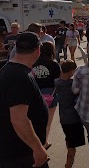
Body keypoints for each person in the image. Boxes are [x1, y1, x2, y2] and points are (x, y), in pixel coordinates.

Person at [0, 32, 49, 168]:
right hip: (21, 155)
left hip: (18, 151)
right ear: (38, 50)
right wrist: (38, 149)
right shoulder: (19, 76)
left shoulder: (10, 69)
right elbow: (19, 119)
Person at [55, 60, 86, 168]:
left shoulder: (57, 82)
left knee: (69, 141)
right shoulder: (71, 84)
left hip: (63, 118)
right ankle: (68, 165)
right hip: (73, 118)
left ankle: (68, 164)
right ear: (71, 71)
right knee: (72, 147)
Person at [32, 41, 61, 151]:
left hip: (35, 94)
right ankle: (44, 142)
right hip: (50, 95)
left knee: (34, 120)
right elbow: (57, 81)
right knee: (47, 121)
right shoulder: (53, 64)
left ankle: (34, 142)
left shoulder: (33, 63)